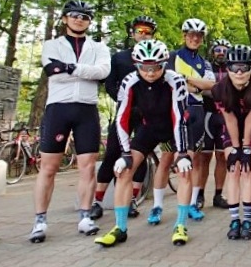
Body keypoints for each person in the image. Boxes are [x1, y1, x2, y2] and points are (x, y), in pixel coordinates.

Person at [94, 40, 194, 247]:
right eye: (144, 67)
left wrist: (183, 153)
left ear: (164, 64)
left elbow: (178, 117)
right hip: (149, 128)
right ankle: (120, 228)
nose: (150, 73)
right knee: (124, 171)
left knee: (185, 170)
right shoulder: (129, 80)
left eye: (156, 67)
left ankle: (180, 225)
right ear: (136, 65)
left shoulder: (175, 80)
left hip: (175, 128)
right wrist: (125, 153)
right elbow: (122, 118)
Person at [30, 0, 111, 243]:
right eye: (74, 15)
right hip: (58, 108)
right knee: (49, 167)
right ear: (65, 18)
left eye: (85, 17)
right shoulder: (51, 45)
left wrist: (68, 67)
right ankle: (40, 221)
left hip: (87, 109)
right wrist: (84, 70)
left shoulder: (99, 47)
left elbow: (102, 72)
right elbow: (51, 70)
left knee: (87, 166)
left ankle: (85, 217)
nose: (79, 19)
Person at [90, 15, 157, 221]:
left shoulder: (156, 57)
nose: (144, 35)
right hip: (124, 112)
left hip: (146, 115)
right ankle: (97, 202)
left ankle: (132, 200)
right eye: (140, 31)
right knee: (112, 154)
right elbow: (110, 84)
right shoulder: (120, 58)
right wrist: (125, 100)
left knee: (140, 157)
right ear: (132, 33)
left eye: (148, 32)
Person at [212, 45, 251, 240]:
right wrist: (236, 149)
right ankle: (235, 220)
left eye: (244, 67)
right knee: (233, 169)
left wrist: (246, 149)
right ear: (227, 68)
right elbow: (230, 120)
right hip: (232, 126)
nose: (239, 72)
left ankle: (248, 220)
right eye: (234, 67)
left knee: (247, 168)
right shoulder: (219, 89)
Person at [167, 18, 216, 221]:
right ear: (184, 35)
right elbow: (168, 79)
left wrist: (185, 79)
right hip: (177, 109)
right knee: (175, 158)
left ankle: (193, 202)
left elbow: (211, 85)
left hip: (197, 110)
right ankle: (167, 205)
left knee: (195, 158)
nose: (195, 39)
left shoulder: (205, 62)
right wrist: (196, 85)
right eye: (191, 35)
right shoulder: (173, 56)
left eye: (199, 36)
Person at [200, 38, 232, 209]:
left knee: (222, 157)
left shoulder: (233, 68)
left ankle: (218, 195)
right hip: (208, 115)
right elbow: (201, 89)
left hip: (225, 117)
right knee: (204, 157)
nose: (221, 53)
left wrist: (211, 89)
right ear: (213, 52)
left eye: (224, 50)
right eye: (218, 49)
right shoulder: (206, 67)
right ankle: (199, 195)